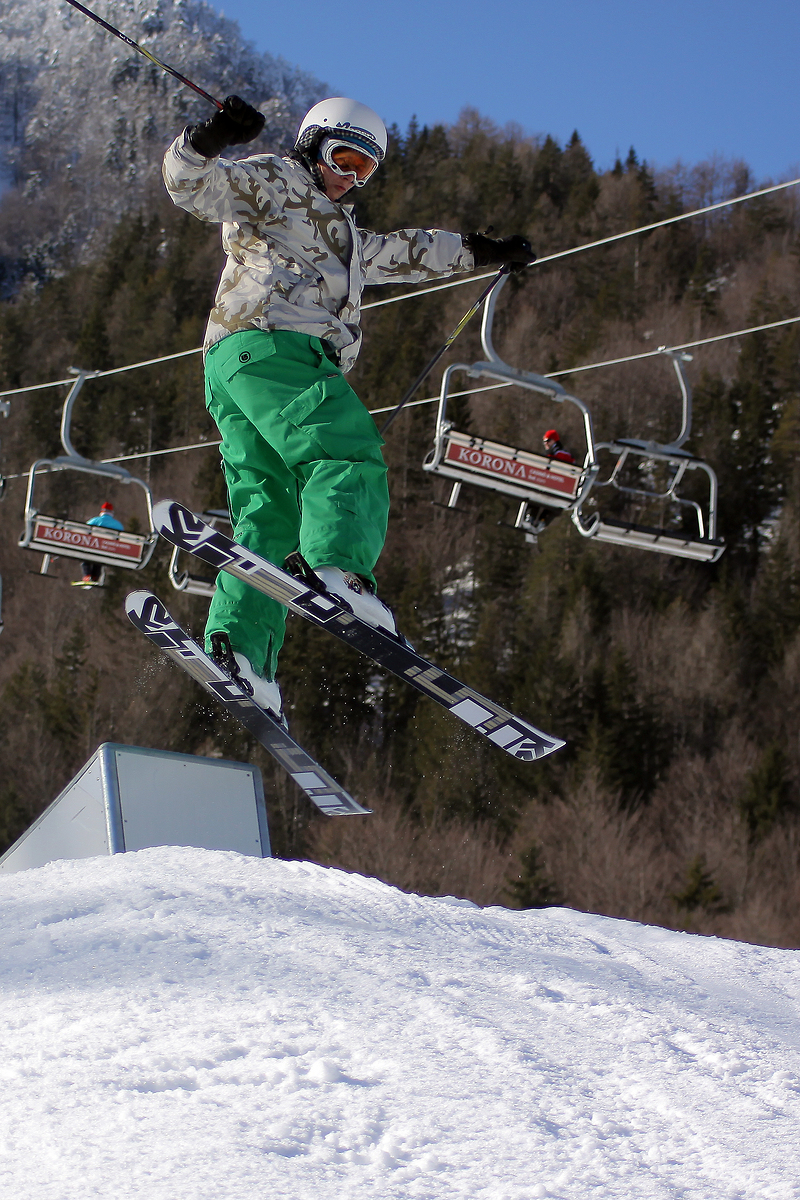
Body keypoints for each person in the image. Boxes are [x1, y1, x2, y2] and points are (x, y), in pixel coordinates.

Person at [162, 95, 535, 720]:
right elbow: (192, 187)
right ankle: (338, 568)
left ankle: (239, 652)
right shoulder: (277, 183)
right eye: (341, 158)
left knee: (269, 519)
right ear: (312, 146)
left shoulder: (347, 240)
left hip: (235, 368)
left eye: (364, 171)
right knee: (345, 448)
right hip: (272, 345)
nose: (348, 177)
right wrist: (211, 136)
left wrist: (480, 250)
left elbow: (410, 252)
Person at [79, 501, 124, 584]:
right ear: (112, 512)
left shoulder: (94, 521)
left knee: (86, 559)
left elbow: (84, 530)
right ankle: (95, 577)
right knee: (99, 561)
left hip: (92, 547)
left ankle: (87, 575)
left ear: (102, 511)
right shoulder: (118, 525)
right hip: (109, 549)